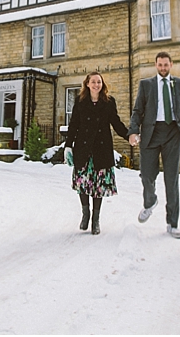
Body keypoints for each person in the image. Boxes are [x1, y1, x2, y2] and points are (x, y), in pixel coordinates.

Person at [127, 51, 180, 238]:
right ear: (156, 65)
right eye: (160, 64)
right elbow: (137, 110)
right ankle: (150, 201)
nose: (163, 68)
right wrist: (133, 130)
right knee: (147, 175)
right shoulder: (146, 85)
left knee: (171, 180)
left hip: (172, 133)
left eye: (166, 64)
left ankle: (172, 223)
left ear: (171, 65)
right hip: (151, 133)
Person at [64, 71, 129, 235]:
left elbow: (116, 123)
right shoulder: (80, 102)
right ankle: (85, 214)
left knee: (98, 186)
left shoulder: (108, 102)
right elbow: (73, 126)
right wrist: (68, 146)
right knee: (83, 184)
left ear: (102, 84)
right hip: (83, 149)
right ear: (87, 84)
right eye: (93, 82)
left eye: (99, 82)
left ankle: (95, 220)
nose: (96, 85)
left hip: (101, 149)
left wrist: (129, 135)